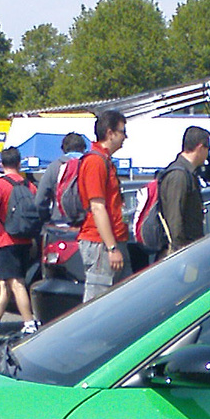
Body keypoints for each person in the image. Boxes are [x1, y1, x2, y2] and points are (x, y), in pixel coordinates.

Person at [0, 146, 42, 338]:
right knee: (5, 283)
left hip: (6, 240)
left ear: (1, 164)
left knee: (16, 283)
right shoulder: (29, 185)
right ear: (19, 163)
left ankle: (29, 322)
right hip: (25, 239)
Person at [78, 110, 130, 302]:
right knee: (97, 307)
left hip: (111, 241)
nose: (125, 137)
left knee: (121, 303)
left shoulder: (105, 160)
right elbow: (97, 207)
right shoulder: (95, 162)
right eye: (123, 131)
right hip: (100, 244)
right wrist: (111, 248)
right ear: (110, 133)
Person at [155, 126, 210, 256]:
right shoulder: (179, 175)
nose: (208, 154)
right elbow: (174, 217)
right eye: (208, 148)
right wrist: (181, 253)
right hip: (181, 252)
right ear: (200, 147)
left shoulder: (187, 173)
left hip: (188, 248)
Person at [37, 132, 88, 223]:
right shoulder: (90, 165)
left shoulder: (54, 167)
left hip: (60, 222)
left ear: (63, 149)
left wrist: (46, 218)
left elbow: (40, 200)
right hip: (87, 223)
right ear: (83, 148)